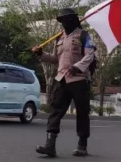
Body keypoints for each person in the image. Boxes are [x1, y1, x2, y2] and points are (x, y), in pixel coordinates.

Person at [32, 8, 96, 157]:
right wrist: (41, 55)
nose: (63, 23)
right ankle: (50, 145)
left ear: (73, 20)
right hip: (61, 79)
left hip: (79, 80)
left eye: (65, 20)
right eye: (61, 21)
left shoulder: (85, 36)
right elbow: (56, 59)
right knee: (55, 111)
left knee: (82, 112)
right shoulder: (59, 38)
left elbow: (89, 56)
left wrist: (77, 67)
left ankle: (82, 145)